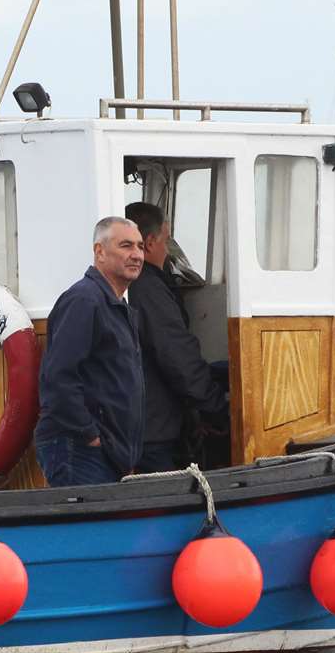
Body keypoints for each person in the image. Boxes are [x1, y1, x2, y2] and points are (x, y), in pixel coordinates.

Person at [33, 217, 145, 486]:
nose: (136, 255)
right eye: (126, 246)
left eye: (140, 247)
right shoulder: (84, 301)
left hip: (108, 453)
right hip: (80, 449)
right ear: (100, 252)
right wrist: (89, 434)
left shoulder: (118, 307)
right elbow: (58, 377)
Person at [125, 203, 228, 473]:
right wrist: (218, 409)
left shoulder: (141, 286)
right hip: (154, 432)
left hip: (147, 423)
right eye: (166, 240)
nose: (168, 249)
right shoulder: (147, 289)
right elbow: (177, 357)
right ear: (149, 243)